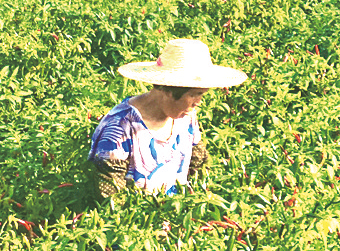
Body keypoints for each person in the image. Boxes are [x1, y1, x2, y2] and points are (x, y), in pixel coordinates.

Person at [90, 38, 247, 197]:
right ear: (169, 90)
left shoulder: (186, 117)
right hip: (138, 218)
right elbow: (111, 198)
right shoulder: (119, 128)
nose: (198, 103)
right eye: (194, 95)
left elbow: (198, 164)